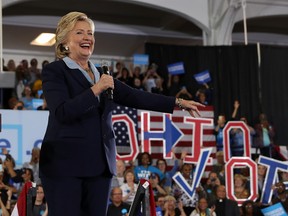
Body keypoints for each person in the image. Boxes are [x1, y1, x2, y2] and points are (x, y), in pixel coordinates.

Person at [39, 11, 205, 216]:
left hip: (100, 167)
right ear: (64, 40)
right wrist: (96, 89)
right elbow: (62, 112)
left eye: (90, 33)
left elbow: (137, 97)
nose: (87, 38)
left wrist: (178, 102)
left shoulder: (103, 74)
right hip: (65, 166)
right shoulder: (55, 71)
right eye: (79, 33)